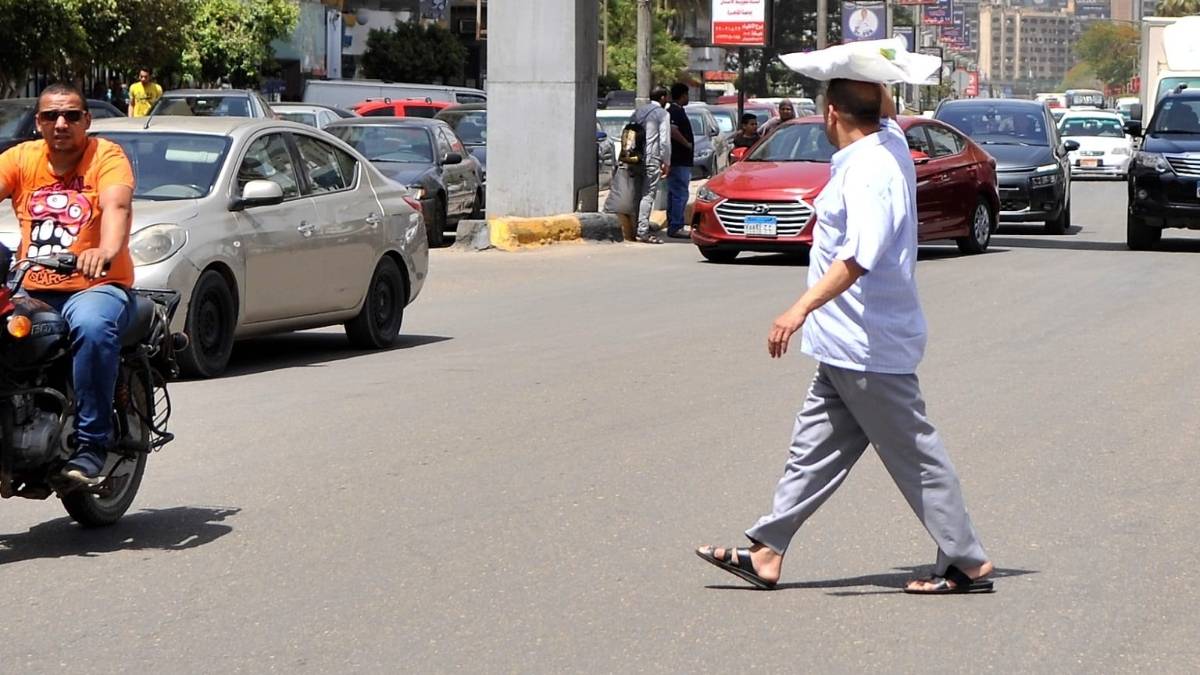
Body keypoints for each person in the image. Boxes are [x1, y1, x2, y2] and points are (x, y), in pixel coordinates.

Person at [695, 79, 994, 595]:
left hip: (868, 345)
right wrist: (868, 69)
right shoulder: (889, 142)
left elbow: (859, 256)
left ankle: (967, 561)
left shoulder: (871, 169)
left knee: (915, 454)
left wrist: (799, 309)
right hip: (842, 346)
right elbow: (886, 111)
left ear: (831, 113)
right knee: (811, 451)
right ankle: (768, 549)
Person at [0, 82, 137, 488]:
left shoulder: (106, 156)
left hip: (94, 287)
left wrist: (105, 250)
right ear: (38, 122)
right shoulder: (21, 157)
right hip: (32, 289)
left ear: (86, 120)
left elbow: (117, 206)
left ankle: (91, 445)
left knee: (92, 328)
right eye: (51, 116)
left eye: (71, 115)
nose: (61, 123)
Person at [629, 87, 671, 244]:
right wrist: (666, 161)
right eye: (666, 97)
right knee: (648, 195)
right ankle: (642, 232)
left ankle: (635, 229)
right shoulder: (662, 114)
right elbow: (664, 141)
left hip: (635, 158)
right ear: (662, 97)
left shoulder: (639, 111)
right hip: (652, 158)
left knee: (636, 194)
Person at [665, 83, 695, 239]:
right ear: (683, 95)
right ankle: (676, 225)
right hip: (679, 160)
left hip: (679, 160)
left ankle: (673, 224)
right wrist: (686, 143)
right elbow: (673, 130)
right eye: (687, 95)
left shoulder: (676, 111)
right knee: (680, 194)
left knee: (674, 193)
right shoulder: (675, 112)